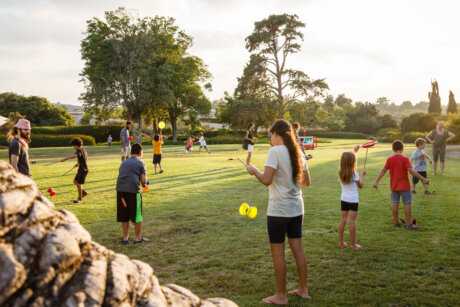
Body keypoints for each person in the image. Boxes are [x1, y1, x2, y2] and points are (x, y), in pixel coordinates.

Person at [247, 119, 311, 305]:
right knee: (298, 248)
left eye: (270, 135)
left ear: (276, 134)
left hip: (279, 211)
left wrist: (254, 171)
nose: (270, 139)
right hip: (297, 208)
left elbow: (266, 180)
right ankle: (303, 290)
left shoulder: (274, 151)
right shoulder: (298, 152)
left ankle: (281, 296)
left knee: (278, 253)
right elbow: (306, 182)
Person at [373, 140, 429, 229]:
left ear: (393, 149)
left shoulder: (390, 159)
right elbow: (411, 171)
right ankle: (408, 224)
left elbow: (383, 170)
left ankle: (396, 223)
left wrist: (376, 182)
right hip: (405, 186)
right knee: (407, 203)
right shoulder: (405, 159)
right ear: (402, 149)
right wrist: (422, 179)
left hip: (394, 186)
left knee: (395, 204)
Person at [116, 143, 149, 244]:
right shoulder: (141, 163)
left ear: (130, 153)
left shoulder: (124, 162)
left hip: (121, 191)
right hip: (133, 192)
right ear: (141, 152)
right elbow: (143, 180)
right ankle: (137, 238)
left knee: (124, 213)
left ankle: (125, 238)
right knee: (137, 214)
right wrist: (144, 185)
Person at [338, 152, 366, 250]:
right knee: (352, 222)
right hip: (353, 200)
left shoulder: (340, 172)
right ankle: (353, 244)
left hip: (344, 199)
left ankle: (340, 243)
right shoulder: (355, 174)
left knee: (343, 220)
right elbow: (361, 186)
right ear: (353, 162)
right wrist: (362, 175)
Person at [60, 138, 89, 203]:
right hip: (81, 168)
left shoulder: (78, 150)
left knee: (78, 184)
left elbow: (74, 156)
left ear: (76, 145)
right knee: (75, 181)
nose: (73, 147)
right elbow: (85, 159)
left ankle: (80, 199)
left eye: (73, 146)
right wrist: (78, 164)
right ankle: (83, 192)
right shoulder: (84, 150)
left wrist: (65, 158)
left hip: (83, 170)